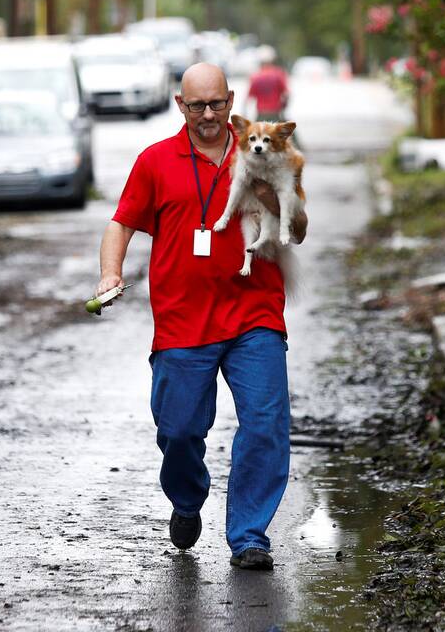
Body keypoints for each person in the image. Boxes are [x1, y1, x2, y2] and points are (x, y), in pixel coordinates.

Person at [95, 62, 308, 570]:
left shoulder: (264, 150)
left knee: (265, 423)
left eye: (217, 104)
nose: (209, 114)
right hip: (182, 320)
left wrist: (268, 201)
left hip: (255, 312)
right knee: (180, 429)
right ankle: (187, 499)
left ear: (232, 101)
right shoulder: (156, 161)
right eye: (197, 106)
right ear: (180, 105)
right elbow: (120, 225)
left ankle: (250, 533)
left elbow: (298, 230)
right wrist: (109, 274)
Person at [246, 46, 290, 121]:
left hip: (261, 114)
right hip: (275, 114)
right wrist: (284, 106)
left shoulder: (255, 76)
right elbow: (286, 94)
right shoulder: (278, 74)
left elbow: (249, 98)